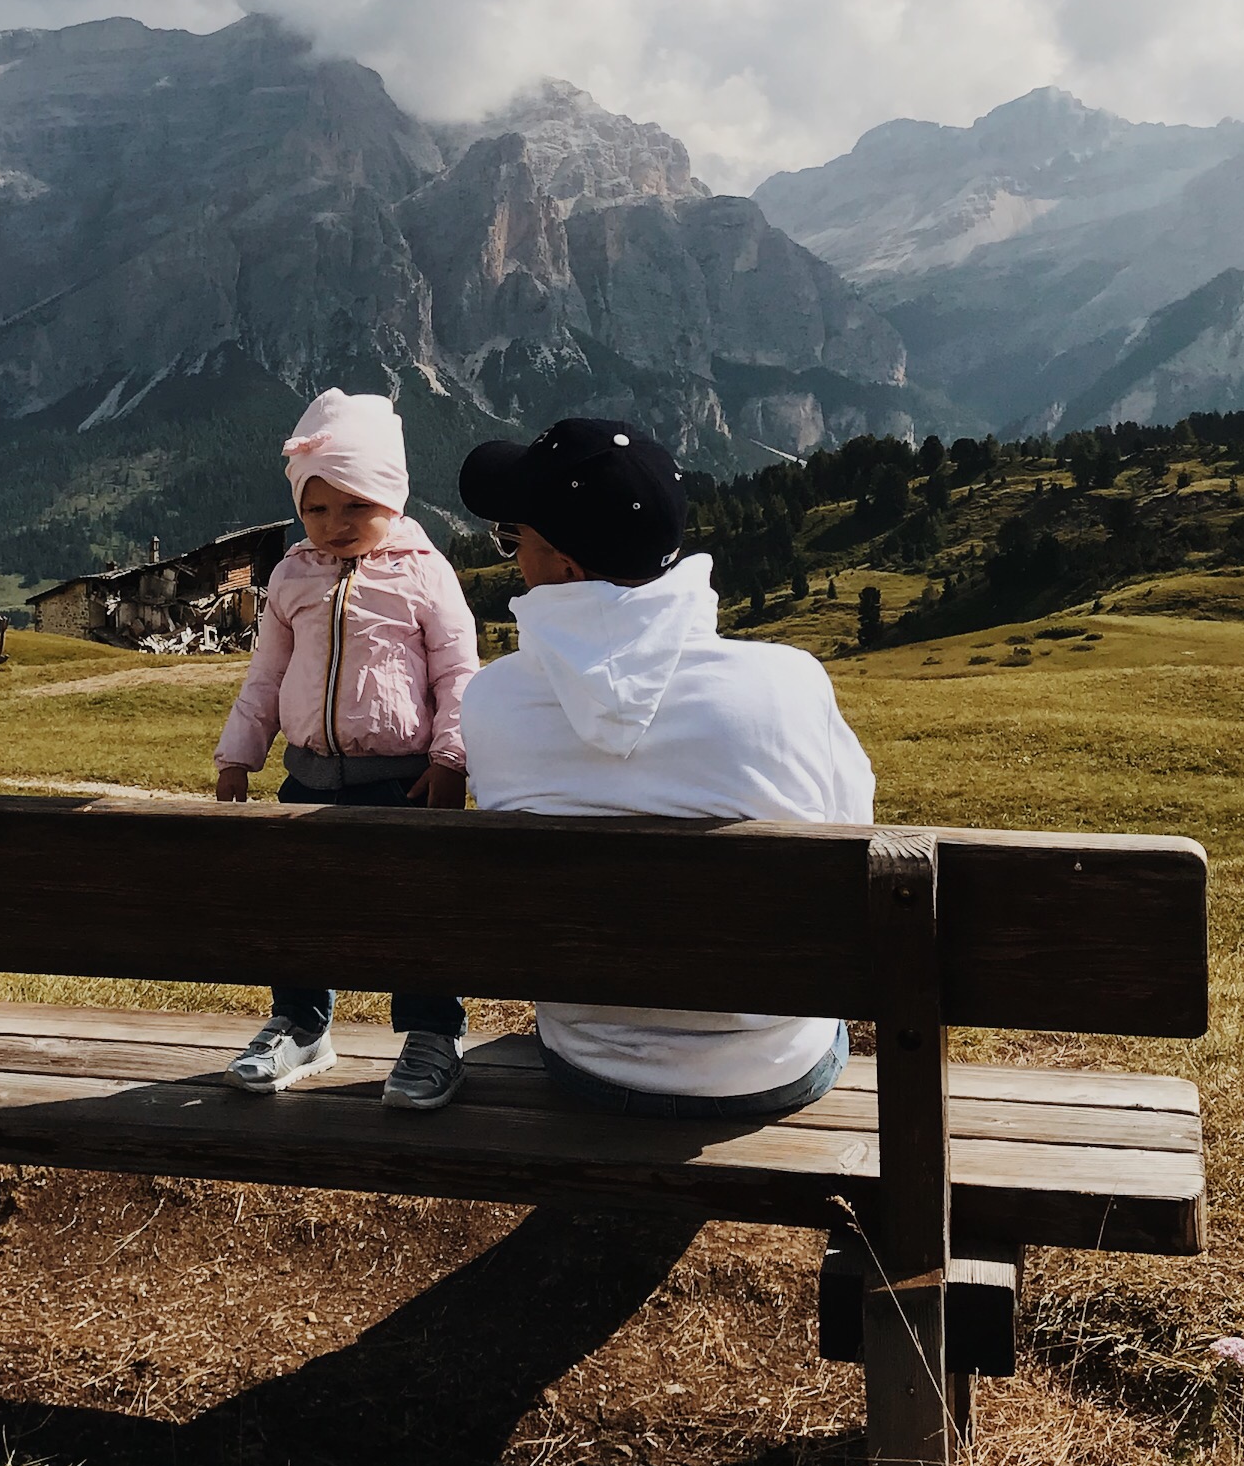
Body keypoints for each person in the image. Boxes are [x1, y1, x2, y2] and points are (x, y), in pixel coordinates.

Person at [457, 415, 874, 1120]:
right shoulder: (789, 682)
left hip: (589, 1061)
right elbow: (853, 830)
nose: (512, 557)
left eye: (513, 538)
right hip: (772, 1063)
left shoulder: (492, 699)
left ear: (563, 565)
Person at [214, 387, 479, 1110]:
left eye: (355, 505)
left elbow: (460, 674)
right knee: (299, 904)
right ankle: (301, 1024)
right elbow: (265, 676)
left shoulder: (425, 573)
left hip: (404, 784)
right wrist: (237, 755)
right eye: (316, 508)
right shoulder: (289, 576)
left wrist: (451, 760)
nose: (335, 524)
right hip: (305, 779)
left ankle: (432, 1035)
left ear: (391, 496)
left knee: (413, 910)